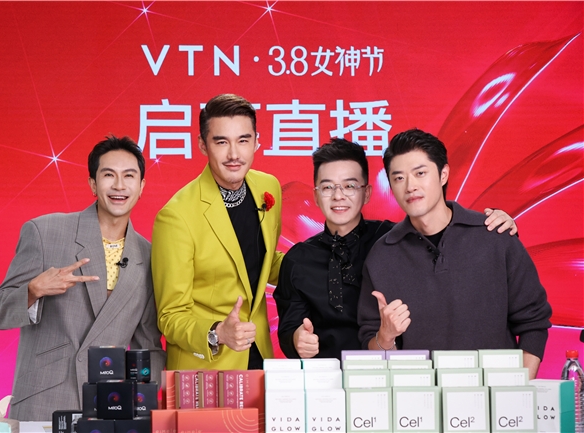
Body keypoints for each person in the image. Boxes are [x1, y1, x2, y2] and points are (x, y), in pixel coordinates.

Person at [274, 137, 519, 360]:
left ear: (367, 193)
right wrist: (298, 339)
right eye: (327, 187)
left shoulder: (396, 239)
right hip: (327, 380)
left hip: (399, 374)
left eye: (350, 186)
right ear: (316, 196)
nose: (338, 196)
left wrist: (498, 224)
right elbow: (288, 325)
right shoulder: (297, 259)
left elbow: (448, 237)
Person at [0, 135, 165, 421]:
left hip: (108, 408)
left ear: (142, 186)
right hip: (43, 402)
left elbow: (149, 348)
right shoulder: (45, 232)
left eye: (129, 176)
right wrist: (33, 290)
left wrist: (141, 407)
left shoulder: (149, 257)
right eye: (109, 175)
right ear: (93, 184)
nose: (119, 186)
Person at [357, 128, 551, 378]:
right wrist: (385, 337)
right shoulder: (382, 256)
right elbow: (371, 344)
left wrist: (518, 388)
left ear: (443, 174)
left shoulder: (495, 235)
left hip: (494, 395)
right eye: (399, 178)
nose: (410, 186)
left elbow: (534, 323)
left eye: (420, 173)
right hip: (417, 397)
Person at [152, 94, 283, 370]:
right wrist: (217, 333)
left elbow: (265, 262)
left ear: (257, 142)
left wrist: (316, 263)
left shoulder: (268, 187)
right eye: (221, 142)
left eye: (243, 140)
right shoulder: (176, 216)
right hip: (205, 368)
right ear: (203, 145)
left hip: (259, 354)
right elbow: (170, 316)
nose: (234, 154)